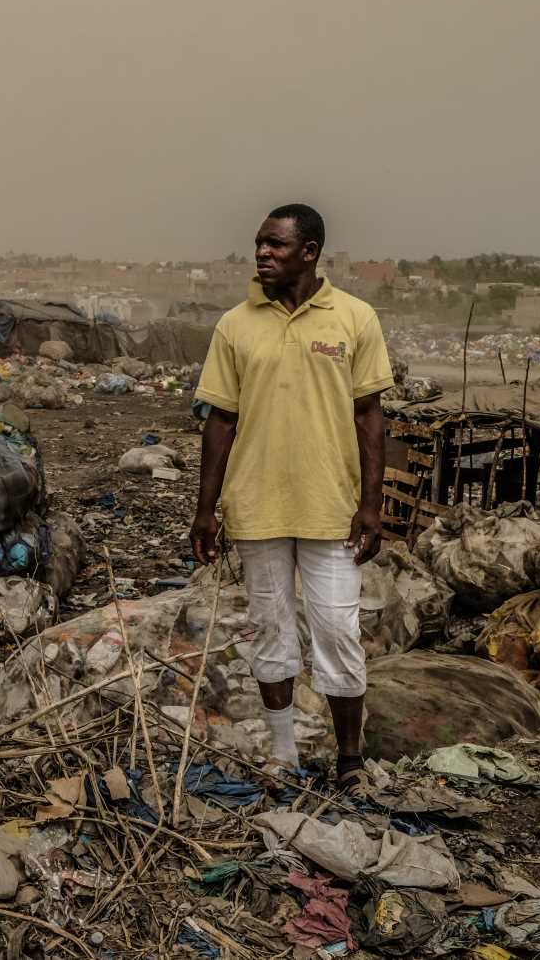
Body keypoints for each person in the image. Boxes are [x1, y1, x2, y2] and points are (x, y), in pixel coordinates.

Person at [189, 203, 392, 797]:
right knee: (272, 631)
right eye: (258, 243)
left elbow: (369, 417)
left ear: (310, 251)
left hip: (331, 509)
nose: (262, 254)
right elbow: (220, 421)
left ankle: (350, 762)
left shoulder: (355, 318)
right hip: (257, 507)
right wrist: (206, 508)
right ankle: (283, 755)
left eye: (275, 244)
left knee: (336, 632)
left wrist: (371, 505)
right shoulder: (236, 324)